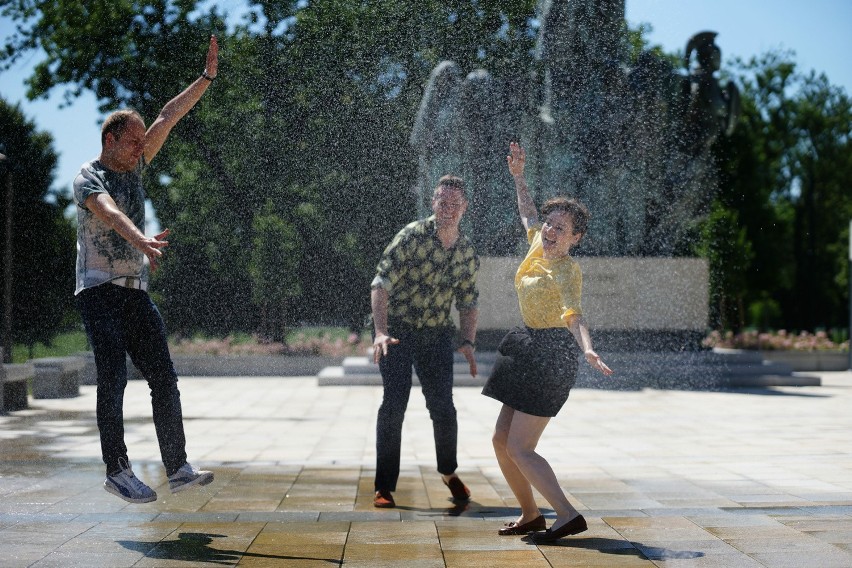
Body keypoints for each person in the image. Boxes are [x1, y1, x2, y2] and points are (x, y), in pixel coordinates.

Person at [73, 36, 219, 504]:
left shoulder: (134, 165)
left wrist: (206, 78)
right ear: (109, 140)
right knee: (113, 375)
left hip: (136, 293)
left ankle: (176, 467)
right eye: (133, 142)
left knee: (164, 377)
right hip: (98, 292)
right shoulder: (88, 176)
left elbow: (167, 117)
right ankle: (117, 469)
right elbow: (111, 214)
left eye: (142, 142)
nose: (142, 149)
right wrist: (141, 241)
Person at [482, 142, 613, 541]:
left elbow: (574, 315)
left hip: (552, 354)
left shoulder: (567, 271)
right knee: (501, 441)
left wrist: (587, 346)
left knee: (521, 447)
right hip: (525, 345)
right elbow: (527, 212)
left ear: (576, 238)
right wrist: (519, 175)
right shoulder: (538, 246)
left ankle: (567, 515)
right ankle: (530, 514)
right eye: (550, 224)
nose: (551, 231)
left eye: (561, 228)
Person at [371, 175, 480, 508]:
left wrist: (468, 341)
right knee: (394, 405)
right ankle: (384, 486)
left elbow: (468, 300)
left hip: (435, 334)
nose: (446, 209)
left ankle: (448, 472)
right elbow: (380, 283)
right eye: (440, 202)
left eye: (453, 204)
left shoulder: (465, 251)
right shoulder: (412, 236)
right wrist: (380, 331)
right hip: (399, 332)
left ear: (464, 208)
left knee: (443, 408)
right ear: (433, 203)